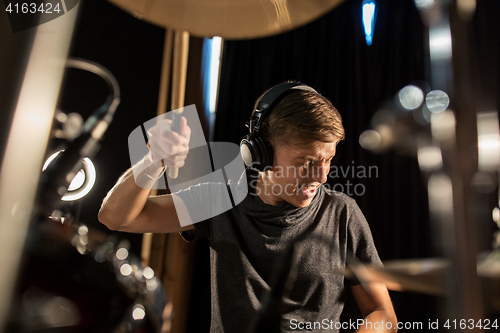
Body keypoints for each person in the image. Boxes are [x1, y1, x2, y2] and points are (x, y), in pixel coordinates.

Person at [98, 82, 397, 332]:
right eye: (307, 162)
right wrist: (154, 162)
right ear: (261, 153)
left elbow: (383, 314)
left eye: (328, 159)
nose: (321, 175)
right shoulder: (221, 199)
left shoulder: (343, 213)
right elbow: (115, 217)